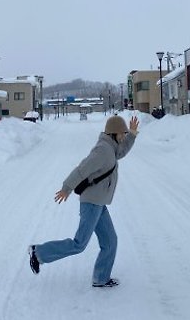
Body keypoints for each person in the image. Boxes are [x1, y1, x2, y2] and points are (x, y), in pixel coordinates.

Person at [28, 114, 140, 288]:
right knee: (79, 244)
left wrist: (132, 134)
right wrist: (66, 188)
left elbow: (121, 152)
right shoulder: (102, 150)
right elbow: (82, 170)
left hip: (99, 202)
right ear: (113, 134)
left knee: (110, 242)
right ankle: (39, 252)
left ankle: (101, 278)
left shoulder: (111, 148)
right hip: (91, 203)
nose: (123, 137)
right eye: (122, 134)